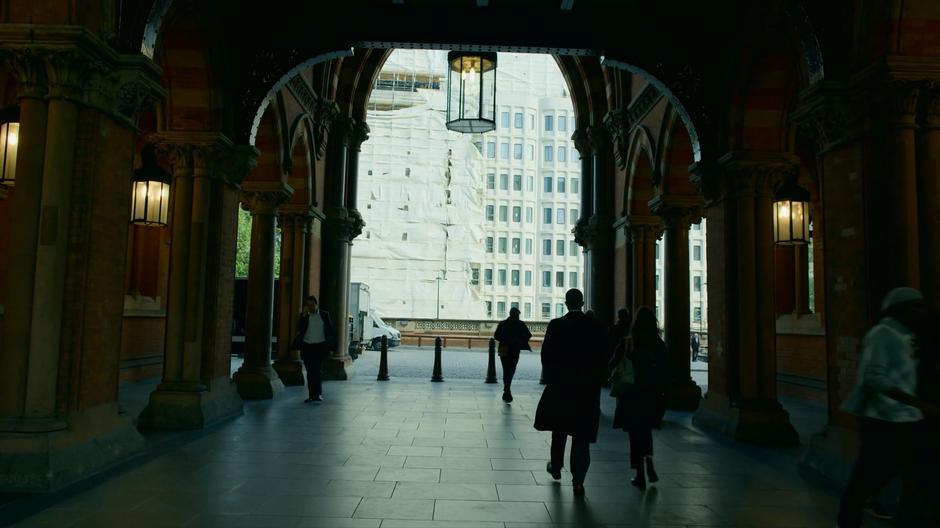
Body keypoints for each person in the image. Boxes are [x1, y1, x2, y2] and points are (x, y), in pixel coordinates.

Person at [837, 287, 940, 528]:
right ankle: (847, 522)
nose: (921, 311)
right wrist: (920, 404)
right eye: (915, 306)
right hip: (882, 419)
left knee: (928, 476)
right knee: (865, 480)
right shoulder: (882, 333)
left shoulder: (910, 335)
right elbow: (875, 377)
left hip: (909, 419)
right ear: (899, 308)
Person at [534, 289, 605, 497]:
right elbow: (603, 357)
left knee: (559, 430)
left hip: (561, 388)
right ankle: (578, 482)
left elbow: (546, 355)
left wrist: (552, 377)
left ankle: (556, 467)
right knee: (581, 436)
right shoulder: (596, 327)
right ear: (582, 303)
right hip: (586, 391)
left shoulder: (556, 325)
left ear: (566, 303)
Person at [609, 306, 668, 490]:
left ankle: (639, 474)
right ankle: (648, 458)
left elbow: (613, 363)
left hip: (631, 394)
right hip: (652, 395)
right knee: (646, 430)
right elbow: (667, 369)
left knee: (635, 434)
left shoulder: (629, 343)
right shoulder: (659, 344)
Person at [290, 295, 336, 403]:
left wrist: (331, 346)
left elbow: (329, 331)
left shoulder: (324, 315)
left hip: (320, 346)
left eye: (312, 305)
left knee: (318, 371)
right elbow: (299, 329)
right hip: (307, 346)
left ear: (316, 304)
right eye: (308, 305)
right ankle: (311, 395)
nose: (311, 307)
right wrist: (304, 315)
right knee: (310, 372)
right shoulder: (304, 316)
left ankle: (318, 394)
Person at [494, 307, 532, 403]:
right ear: (516, 315)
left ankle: (507, 389)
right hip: (515, 349)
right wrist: (519, 340)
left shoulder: (503, 323)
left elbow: (496, 336)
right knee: (511, 369)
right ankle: (507, 389)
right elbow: (528, 335)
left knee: (506, 369)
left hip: (503, 348)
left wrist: (506, 339)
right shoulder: (520, 324)